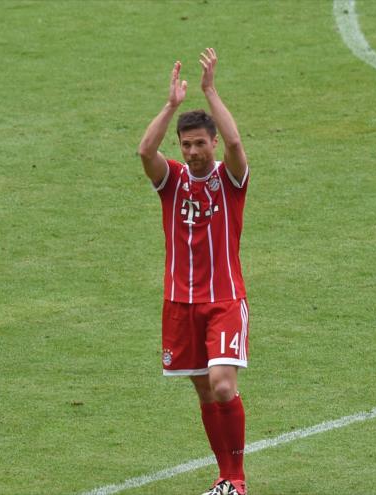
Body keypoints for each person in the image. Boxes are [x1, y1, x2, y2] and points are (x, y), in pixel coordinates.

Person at [138, 48, 250, 495]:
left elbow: (238, 144)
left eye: (200, 143)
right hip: (179, 302)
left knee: (223, 387)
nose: (194, 151)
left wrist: (210, 91)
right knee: (205, 394)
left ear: (213, 143)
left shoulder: (230, 178)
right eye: (186, 145)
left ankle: (237, 480)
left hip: (223, 299)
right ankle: (225, 478)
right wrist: (170, 106)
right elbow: (145, 150)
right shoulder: (172, 181)